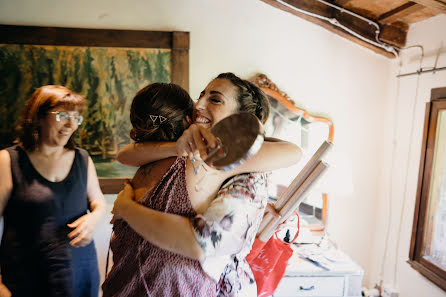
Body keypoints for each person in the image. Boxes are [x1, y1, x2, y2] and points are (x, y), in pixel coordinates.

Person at [102, 73, 302, 297]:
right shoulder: (189, 149)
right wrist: (175, 148)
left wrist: (126, 208)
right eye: (201, 96)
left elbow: (293, 153)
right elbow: (125, 155)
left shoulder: (218, 154)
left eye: (215, 99)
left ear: (240, 120)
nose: (198, 104)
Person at [0, 85, 106, 297]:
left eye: (77, 118)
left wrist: (93, 218)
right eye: (63, 115)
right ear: (38, 117)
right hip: (25, 277)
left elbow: (98, 202)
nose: (71, 124)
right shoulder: (7, 160)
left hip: (80, 273)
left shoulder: (82, 159)